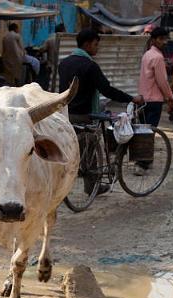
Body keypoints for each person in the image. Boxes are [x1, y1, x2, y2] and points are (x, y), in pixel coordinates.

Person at [58, 29, 143, 195]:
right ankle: (91, 187)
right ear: (88, 44)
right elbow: (107, 90)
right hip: (84, 114)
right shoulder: (90, 65)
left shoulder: (64, 63)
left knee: (73, 148)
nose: (97, 48)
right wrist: (131, 98)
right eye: (96, 45)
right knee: (90, 149)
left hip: (66, 113)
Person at [138, 27, 173, 128]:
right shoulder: (158, 57)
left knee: (143, 132)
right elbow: (162, 81)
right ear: (153, 40)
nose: (164, 42)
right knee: (150, 132)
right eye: (161, 39)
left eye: (165, 39)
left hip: (143, 99)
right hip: (154, 101)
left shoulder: (147, 54)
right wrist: (170, 96)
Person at [39, 23, 65, 89]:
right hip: (62, 66)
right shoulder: (65, 40)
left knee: (49, 85)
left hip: (51, 66)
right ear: (62, 30)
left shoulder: (50, 39)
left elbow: (42, 49)